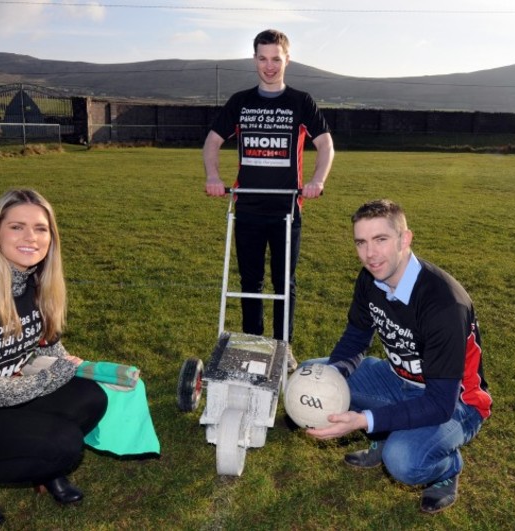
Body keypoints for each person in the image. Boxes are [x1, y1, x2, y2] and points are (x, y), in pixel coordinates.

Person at [0, 189, 108, 526]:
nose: (31, 237)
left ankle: (46, 470)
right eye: (17, 227)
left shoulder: (36, 280)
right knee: (65, 445)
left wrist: (89, 370)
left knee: (92, 398)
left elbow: (49, 347)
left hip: (12, 393)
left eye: (41, 229)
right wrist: (47, 380)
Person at [305, 199, 492, 513]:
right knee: (314, 375)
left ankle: (447, 468)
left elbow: (439, 403)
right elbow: (355, 338)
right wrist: (332, 376)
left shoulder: (443, 304)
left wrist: (363, 420)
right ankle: (385, 431)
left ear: (405, 239)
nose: (370, 254)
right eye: (361, 243)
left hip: (456, 402)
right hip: (396, 379)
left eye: (381, 240)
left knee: (403, 460)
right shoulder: (370, 279)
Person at [203, 29, 334, 366]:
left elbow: (325, 145)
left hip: (287, 209)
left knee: (284, 282)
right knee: (249, 281)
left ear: (287, 59)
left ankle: (282, 346)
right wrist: (213, 177)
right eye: (263, 58)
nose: (269, 65)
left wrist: (317, 180)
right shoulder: (240, 102)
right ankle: (252, 343)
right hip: (246, 207)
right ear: (255, 60)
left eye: (276, 58)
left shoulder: (300, 102)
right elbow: (212, 142)